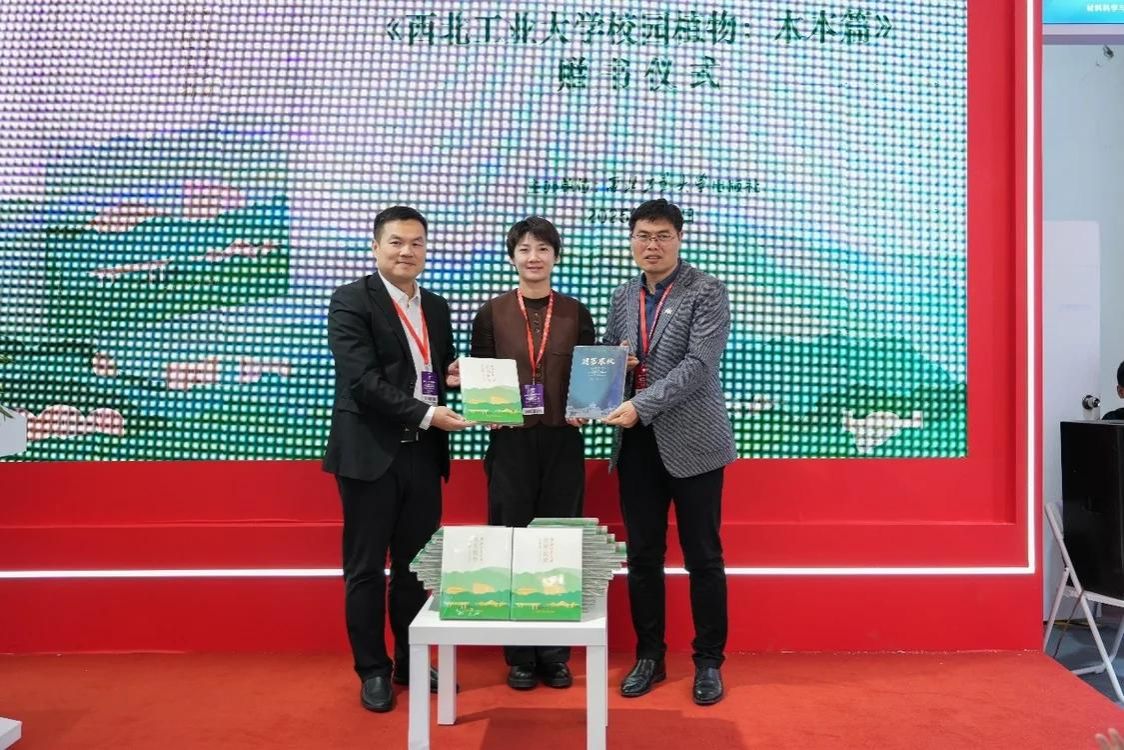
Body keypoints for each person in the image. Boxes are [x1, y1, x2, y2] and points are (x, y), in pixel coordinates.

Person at [323, 205, 471, 713]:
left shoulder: (436, 306)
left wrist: (452, 378)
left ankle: (411, 658)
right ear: (376, 246)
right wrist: (428, 414)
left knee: (414, 568)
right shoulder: (350, 300)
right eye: (396, 242)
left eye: (416, 243)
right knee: (366, 569)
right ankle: (372, 669)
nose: (407, 251)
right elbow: (362, 382)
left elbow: (431, 371)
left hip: (423, 455)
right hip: (370, 454)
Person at [602, 198, 736, 706]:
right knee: (643, 555)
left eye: (662, 235)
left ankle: (708, 662)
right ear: (631, 240)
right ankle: (650, 656)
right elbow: (609, 358)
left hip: (695, 442)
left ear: (679, 238)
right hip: (637, 444)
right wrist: (597, 390)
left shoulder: (707, 290)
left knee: (703, 556)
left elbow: (699, 365)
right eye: (643, 235)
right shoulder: (622, 294)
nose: (651, 245)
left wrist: (640, 404)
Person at [470, 216, 596, 690]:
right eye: (524, 249)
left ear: (556, 256)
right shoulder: (492, 312)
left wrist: (590, 404)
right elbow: (481, 370)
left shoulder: (576, 313)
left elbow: (589, 372)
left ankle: (555, 654)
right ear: (513, 257)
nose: (534, 257)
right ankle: (520, 656)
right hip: (511, 441)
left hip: (563, 439)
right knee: (511, 540)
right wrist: (482, 404)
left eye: (543, 248)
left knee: (559, 543)